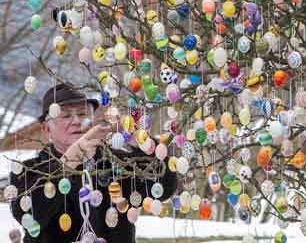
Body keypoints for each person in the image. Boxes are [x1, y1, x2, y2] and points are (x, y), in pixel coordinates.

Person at [10, 83, 179, 243]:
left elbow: (163, 187)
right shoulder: (28, 171)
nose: (76, 120)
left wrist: (142, 142)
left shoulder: (117, 162)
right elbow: (28, 216)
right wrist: (68, 162)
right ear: (47, 130)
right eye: (66, 115)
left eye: (83, 114)